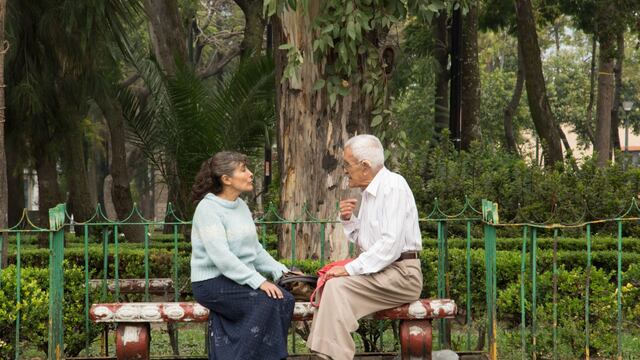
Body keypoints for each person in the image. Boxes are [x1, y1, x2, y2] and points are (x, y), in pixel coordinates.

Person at [306, 134, 423, 360]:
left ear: (365, 166)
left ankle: (329, 355)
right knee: (330, 286)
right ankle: (325, 354)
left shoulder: (393, 186)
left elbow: (390, 245)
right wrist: (349, 219)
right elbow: (368, 243)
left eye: (347, 165)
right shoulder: (369, 194)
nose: (345, 170)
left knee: (337, 288)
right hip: (383, 271)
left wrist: (350, 269)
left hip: (403, 275)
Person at [190, 151, 295, 360]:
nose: (250, 174)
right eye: (243, 170)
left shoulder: (241, 206)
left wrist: (282, 271)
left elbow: (254, 250)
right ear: (226, 179)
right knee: (265, 302)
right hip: (211, 282)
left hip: (237, 280)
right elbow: (222, 257)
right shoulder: (208, 209)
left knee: (285, 299)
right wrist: (258, 281)